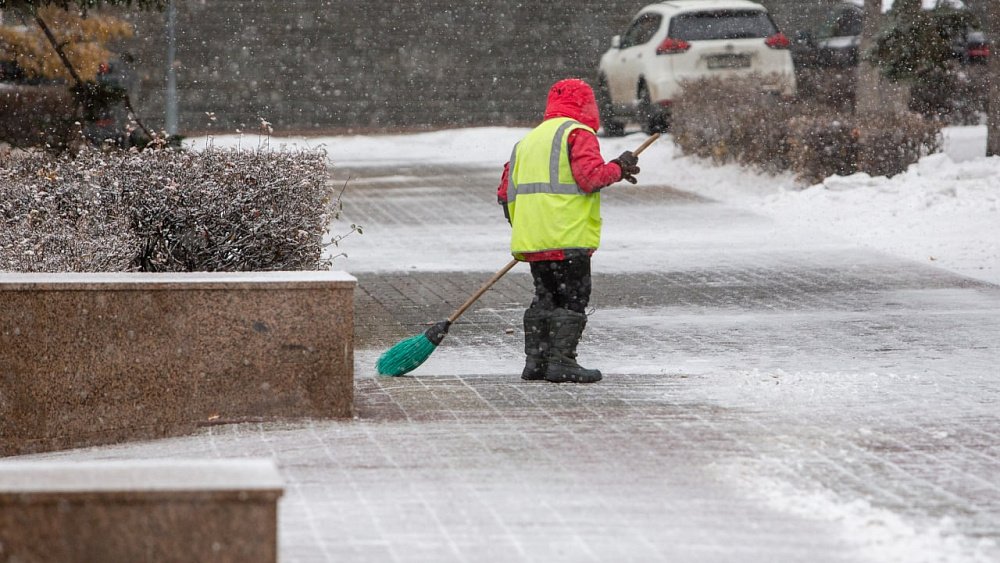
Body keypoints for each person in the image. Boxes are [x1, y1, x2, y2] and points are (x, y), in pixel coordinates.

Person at [496, 78, 641, 384]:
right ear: (586, 106)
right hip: (568, 236)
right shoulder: (578, 134)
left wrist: (525, 225)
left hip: (534, 239)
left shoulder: (528, 141)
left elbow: (504, 191)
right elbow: (590, 178)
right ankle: (561, 362)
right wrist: (619, 167)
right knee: (573, 298)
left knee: (545, 297)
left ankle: (535, 362)